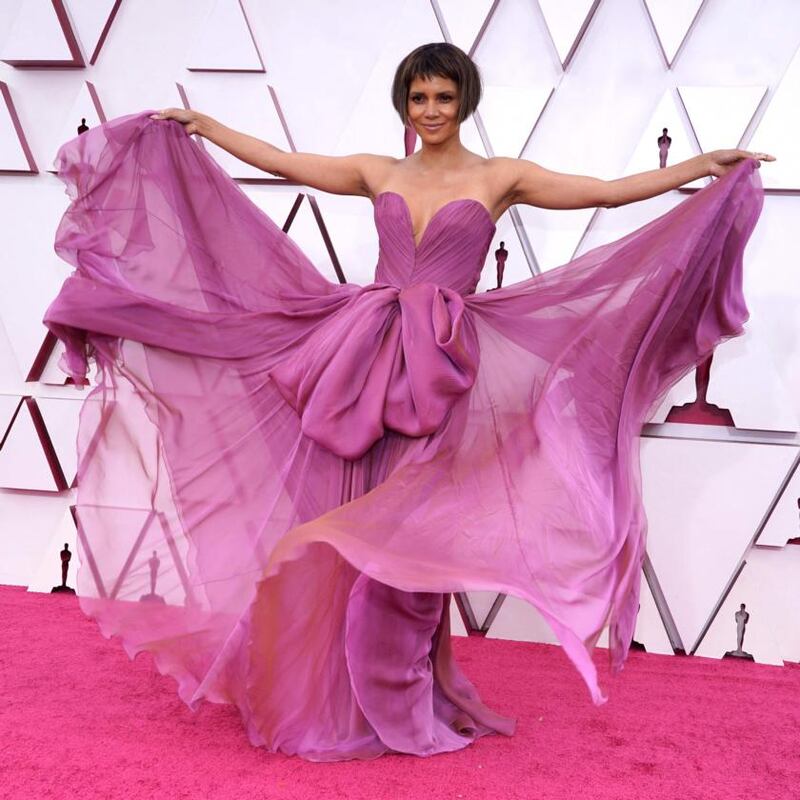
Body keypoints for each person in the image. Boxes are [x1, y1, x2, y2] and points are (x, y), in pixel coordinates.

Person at [43, 42, 770, 762]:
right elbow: (286, 164)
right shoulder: (379, 170)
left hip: (444, 368)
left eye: (443, 99)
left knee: (413, 525)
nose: (430, 111)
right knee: (346, 506)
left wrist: (703, 168)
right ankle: (334, 693)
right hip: (365, 357)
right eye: (418, 98)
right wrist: (207, 127)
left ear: (465, 103)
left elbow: (605, 192)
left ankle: (398, 690)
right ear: (404, 103)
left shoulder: (500, 176)